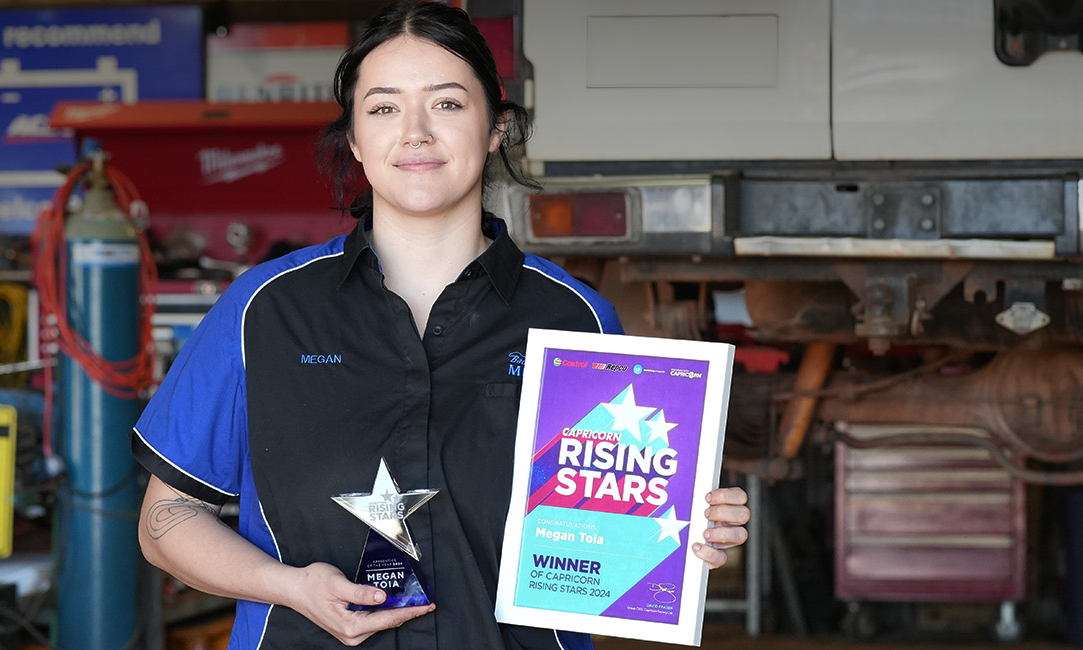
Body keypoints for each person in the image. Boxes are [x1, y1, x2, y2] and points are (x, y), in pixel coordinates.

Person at [130, 2, 750, 648]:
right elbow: (165, 520)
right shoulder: (265, 309)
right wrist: (287, 586)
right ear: (355, 140)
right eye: (384, 108)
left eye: (448, 104)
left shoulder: (576, 320)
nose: (416, 132)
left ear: (496, 129)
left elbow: (615, 530)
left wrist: (686, 533)